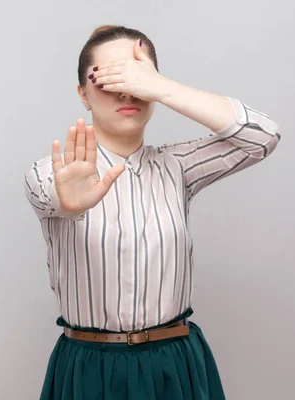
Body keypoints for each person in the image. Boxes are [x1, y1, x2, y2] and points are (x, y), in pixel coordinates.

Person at [24, 24, 281, 400]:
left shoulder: (176, 165)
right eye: (108, 79)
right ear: (83, 94)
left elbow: (263, 136)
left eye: (135, 78)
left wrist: (162, 86)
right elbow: (51, 195)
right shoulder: (52, 171)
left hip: (173, 364)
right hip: (90, 367)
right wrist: (69, 202)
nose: (127, 91)